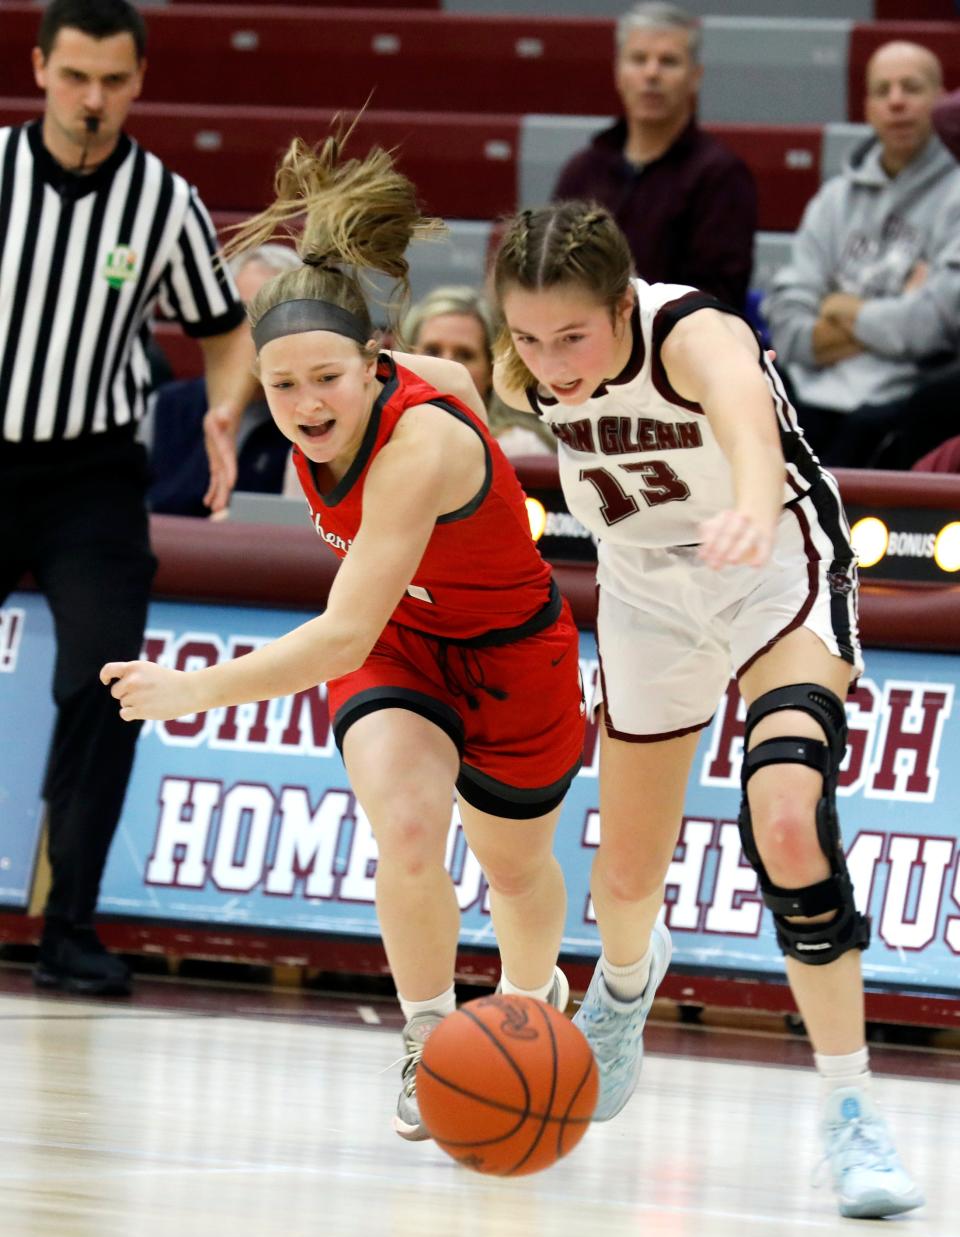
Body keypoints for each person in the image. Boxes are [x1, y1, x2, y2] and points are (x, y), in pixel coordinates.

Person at [99, 131, 586, 1140]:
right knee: (406, 826)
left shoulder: (418, 444)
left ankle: (534, 1001)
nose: (308, 404)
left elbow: (332, 632)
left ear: (372, 368)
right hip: (400, 645)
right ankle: (429, 1037)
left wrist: (190, 689)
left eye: (328, 378)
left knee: (515, 871)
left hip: (509, 652)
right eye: (284, 387)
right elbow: (361, 633)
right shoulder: (325, 381)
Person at [488, 198, 924, 1220]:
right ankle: (629, 986)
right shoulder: (524, 366)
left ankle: (855, 1112)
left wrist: (751, 497)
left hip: (774, 574)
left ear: (620, 302)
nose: (551, 362)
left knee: (787, 819)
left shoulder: (692, 331)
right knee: (626, 877)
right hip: (645, 592)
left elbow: (743, 418)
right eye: (529, 337)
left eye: (573, 336)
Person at [0, 0, 256, 996]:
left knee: (107, 684)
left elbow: (223, 329)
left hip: (91, 475)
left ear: (139, 80)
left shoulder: (165, 201)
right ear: (38, 68)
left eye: (111, 80)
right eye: (73, 77)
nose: (92, 99)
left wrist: (225, 412)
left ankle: (69, 925)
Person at [766, 41, 960, 470]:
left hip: (905, 394)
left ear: (939, 100)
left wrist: (839, 307)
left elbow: (933, 328)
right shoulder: (834, 199)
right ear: (867, 107)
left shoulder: (956, 194)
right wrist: (891, 315)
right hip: (813, 389)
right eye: (882, 90)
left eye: (911, 87)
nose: (896, 101)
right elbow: (786, 320)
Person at [551, 2, 756, 313]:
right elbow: (550, 271)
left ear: (695, 77)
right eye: (638, 59)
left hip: (675, 349)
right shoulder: (582, 171)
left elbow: (716, 298)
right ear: (618, 72)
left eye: (668, 61)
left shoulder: (720, 175)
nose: (651, 73)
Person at [142, 244, 302, 516]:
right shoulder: (166, 407)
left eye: (271, 315)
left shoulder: (313, 422)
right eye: (243, 312)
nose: (255, 331)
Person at [400, 285, 554, 458]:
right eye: (432, 351)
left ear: (492, 372)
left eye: (465, 355)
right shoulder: (380, 436)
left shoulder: (520, 448)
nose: (445, 365)